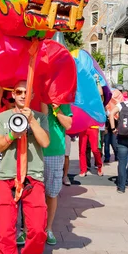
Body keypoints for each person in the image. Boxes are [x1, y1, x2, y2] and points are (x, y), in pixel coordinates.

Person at [0, 81, 49, 254]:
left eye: (27, 92)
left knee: (36, 227)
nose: (23, 95)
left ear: (33, 95)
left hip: (33, 177)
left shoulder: (40, 117)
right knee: (5, 229)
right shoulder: (4, 117)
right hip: (7, 177)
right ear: (13, 95)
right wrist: (11, 136)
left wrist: (32, 121)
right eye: (19, 92)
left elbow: (45, 142)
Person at [43, 103, 72, 245]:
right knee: (29, 192)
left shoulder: (62, 101)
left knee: (51, 193)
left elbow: (68, 125)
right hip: (33, 151)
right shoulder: (31, 95)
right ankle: (26, 229)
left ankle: (48, 228)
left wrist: (56, 108)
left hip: (54, 152)